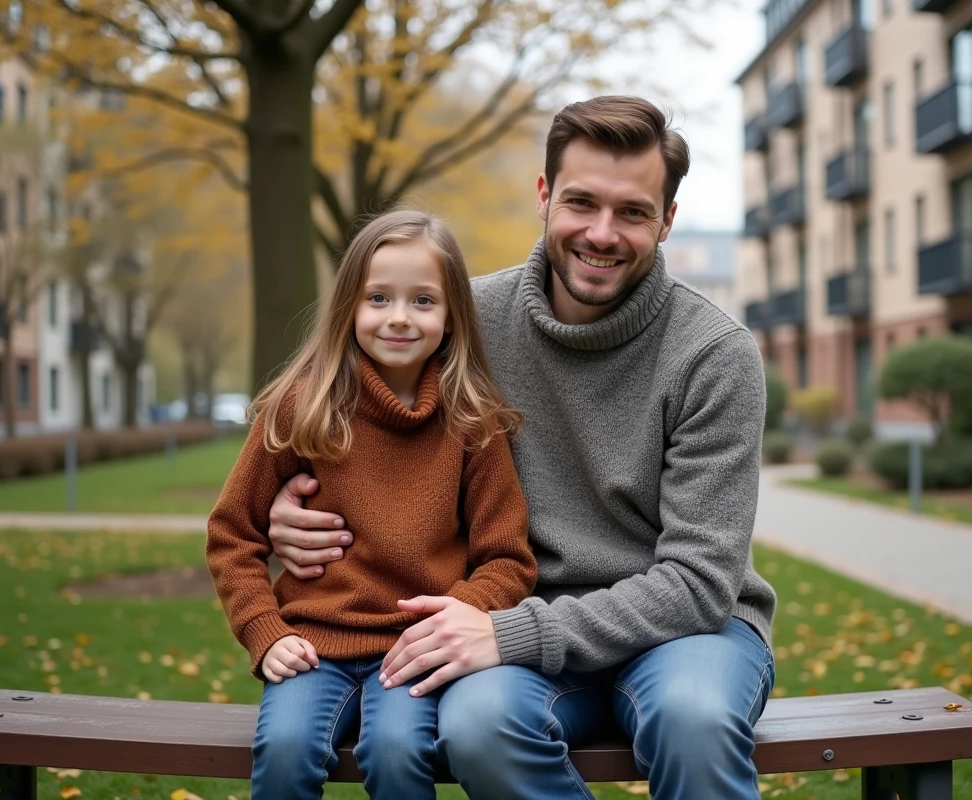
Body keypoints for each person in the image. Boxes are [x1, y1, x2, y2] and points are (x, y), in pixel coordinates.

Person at [265, 96, 778, 800]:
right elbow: (348, 421)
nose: (602, 233)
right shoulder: (463, 322)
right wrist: (287, 510)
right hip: (511, 621)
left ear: (666, 221)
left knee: (694, 720)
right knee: (479, 727)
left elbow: (697, 583)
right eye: (581, 202)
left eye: (632, 212)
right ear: (544, 196)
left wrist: (511, 636)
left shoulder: (714, 355)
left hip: (683, 634)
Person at [206, 210, 538, 800]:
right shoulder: (303, 407)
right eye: (378, 297)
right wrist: (264, 630)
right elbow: (232, 533)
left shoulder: (473, 424)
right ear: (348, 307)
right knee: (284, 750)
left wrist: (456, 615)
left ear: (452, 316)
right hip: (312, 645)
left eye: (423, 301)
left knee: (397, 752)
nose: (399, 317)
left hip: (414, 650)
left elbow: (507, 558)